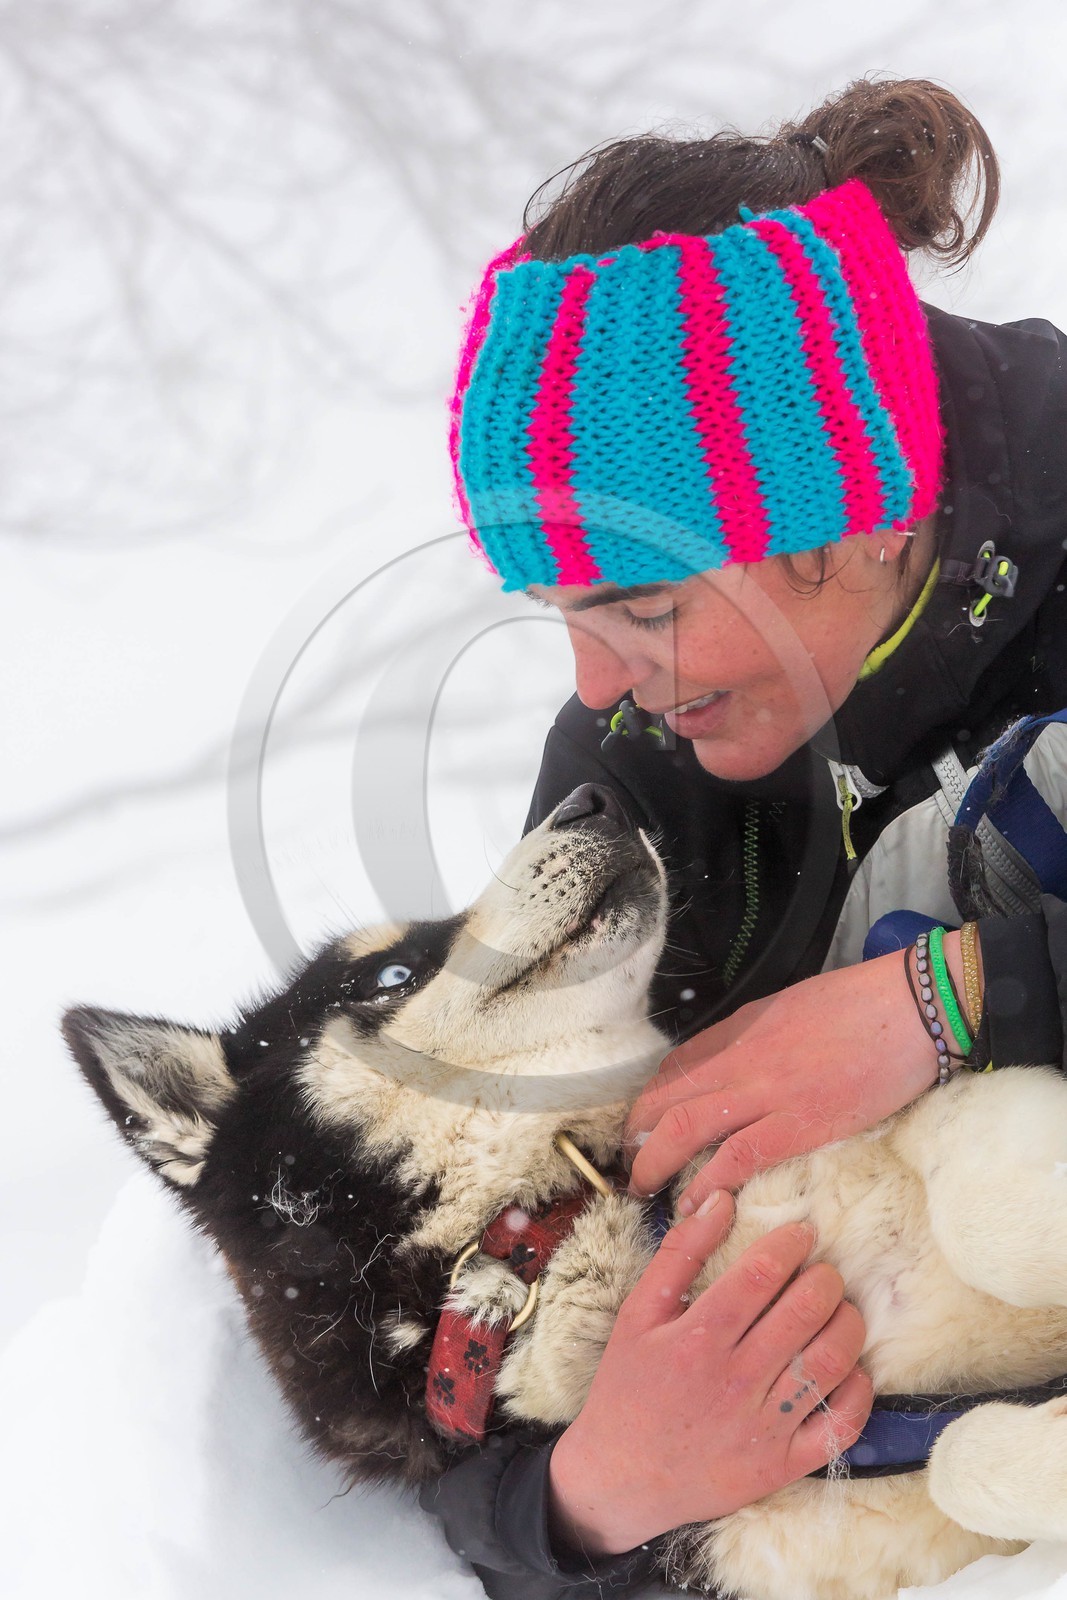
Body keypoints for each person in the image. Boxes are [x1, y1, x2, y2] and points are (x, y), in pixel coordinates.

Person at [419, 76, 1067, 1599]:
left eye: (641, 609)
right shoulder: (640, 768)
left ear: (850, 510)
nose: (594, 687)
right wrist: (589, 1493)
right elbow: (481, 1243)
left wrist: (955, 999)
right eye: (565, 621)